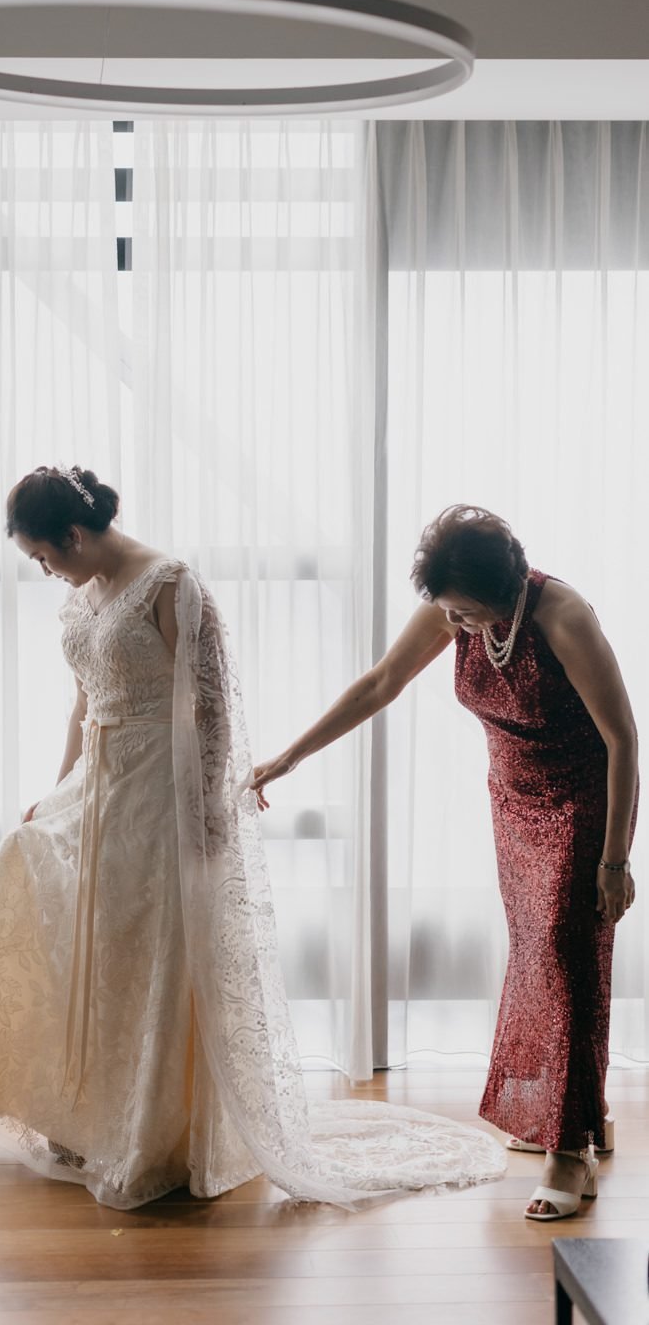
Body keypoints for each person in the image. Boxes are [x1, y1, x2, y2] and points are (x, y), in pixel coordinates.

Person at [0, 469, 504, 1211]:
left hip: (157, 791)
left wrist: (207, 814)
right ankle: (81, 1111)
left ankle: (154, 1134)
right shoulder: (84, 594)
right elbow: (84, 698)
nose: (45, 572)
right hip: (98, 783)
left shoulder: (172, 586)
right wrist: (57, 787)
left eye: (44, 557)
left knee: (147, 955)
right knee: (74, 921)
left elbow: (210, 711)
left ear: (73, 535)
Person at [252, 505, 638, 1222]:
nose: (454, 625)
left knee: (565, 954)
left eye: (463, 613)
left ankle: (568, 1152)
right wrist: (287, 758)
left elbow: (622, 738)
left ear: (505, 588)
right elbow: (379, 684)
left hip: (582, 799)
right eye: (448, 613)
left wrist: (615, 860)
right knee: (544, 961)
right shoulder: (451, 610)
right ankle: (583, 1118)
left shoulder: (562, 615)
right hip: (513, 802)